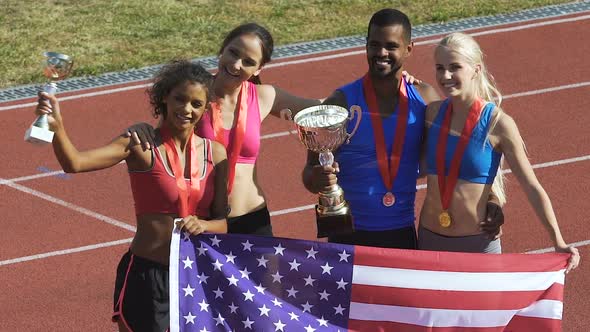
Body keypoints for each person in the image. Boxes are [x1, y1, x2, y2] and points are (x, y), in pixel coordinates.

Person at [34, 60, 229, 331]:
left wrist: (205, 225)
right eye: (179, 99)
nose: (186, 109)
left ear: (206, 107)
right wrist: (58, 127)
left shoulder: (216, 154)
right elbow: (75, 163)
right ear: (164, 98)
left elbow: (223, 223)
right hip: (148, 277)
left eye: (196, 104)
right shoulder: (140, 144)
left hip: (193, 277)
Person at [302, 9, 504, 249]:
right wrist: (317, 178)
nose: (381, 53)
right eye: (374, 45)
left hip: (401, 233)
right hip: (348, 234)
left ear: (409, 48)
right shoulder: (341, 101)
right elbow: (310, 173)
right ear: (366, 45)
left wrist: (492, 198)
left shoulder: (424, 98)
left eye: (391, 46)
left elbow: (458, 153)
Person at [127, 23, 322, 236]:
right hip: (201, 222)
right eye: (233, 53)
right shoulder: (194, 97)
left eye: (248, 62)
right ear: (222, 50)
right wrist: (141, 129)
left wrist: (355, 101)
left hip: (252, 219)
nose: (236, 65)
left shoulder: (264, 96)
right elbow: (164, 143)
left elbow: (321, 110)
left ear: (258, 69)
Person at [418, 32, 580, 271]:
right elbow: (414, 167)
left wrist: (558, 240)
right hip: (430, 240)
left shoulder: (497, 123)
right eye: (440, 68)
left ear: (476, 69)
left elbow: (531, 186)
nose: (445, 76)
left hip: (476, 244)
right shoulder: (431, 114)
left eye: (455, 67)